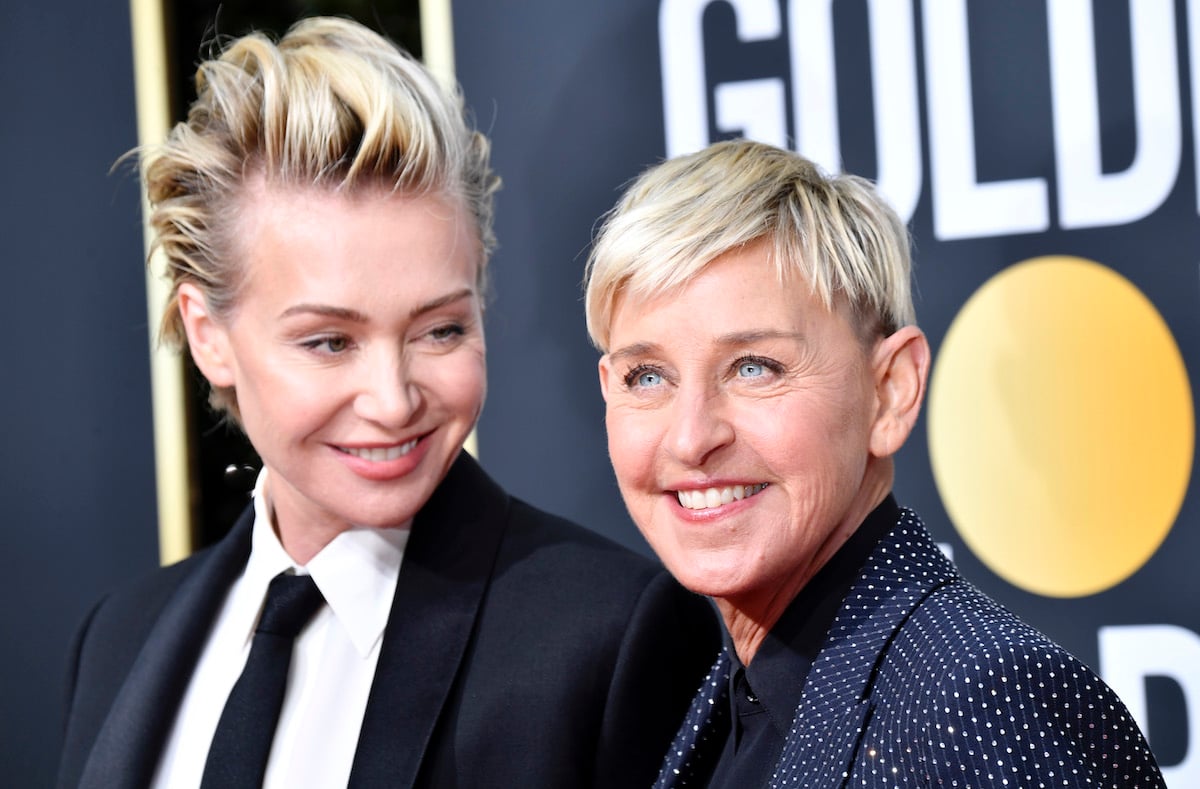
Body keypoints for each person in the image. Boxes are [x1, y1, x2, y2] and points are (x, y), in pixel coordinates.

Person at [57, 17, 716, 789]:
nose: (394, 399)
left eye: (440, 330)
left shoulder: (605, 635)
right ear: (210, 337)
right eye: (329, 341)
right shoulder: (117, 639)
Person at [583, 139, 1165, 788]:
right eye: (648, 375)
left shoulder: (979, 703)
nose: (692, 437)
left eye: (755, 367)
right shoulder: (719, 705)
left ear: (890, 389)